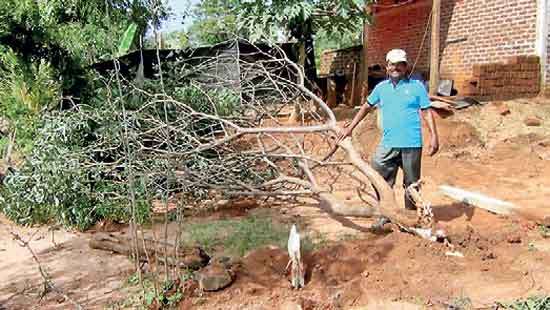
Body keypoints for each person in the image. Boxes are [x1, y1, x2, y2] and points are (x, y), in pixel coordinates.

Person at [336, 48, 439, 215]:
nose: (396, 68)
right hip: (389, 143)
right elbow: (366, 107)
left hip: (411, 144)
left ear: (406, 67)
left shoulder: (417, 87)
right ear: (387, 67)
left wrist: (434, 136)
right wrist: (349, 128)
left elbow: (427, 112)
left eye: (400, 65)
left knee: (411, 185)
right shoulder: (381, 88)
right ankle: (386, 213)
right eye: (392, 64)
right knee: (379, 175)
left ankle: (411, 217)